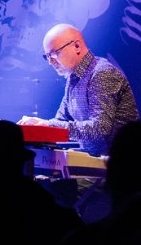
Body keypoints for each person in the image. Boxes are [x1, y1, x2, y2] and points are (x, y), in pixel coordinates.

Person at [19, 23, 137, 157]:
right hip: (98, 162)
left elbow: (100, 129)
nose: (50, 61)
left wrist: (48, 125)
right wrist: (36, 127)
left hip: (121, 162)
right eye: (47, 56)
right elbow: (61, 121)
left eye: (54, 53)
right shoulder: (73, 78)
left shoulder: (102, 73)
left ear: (77, 46)